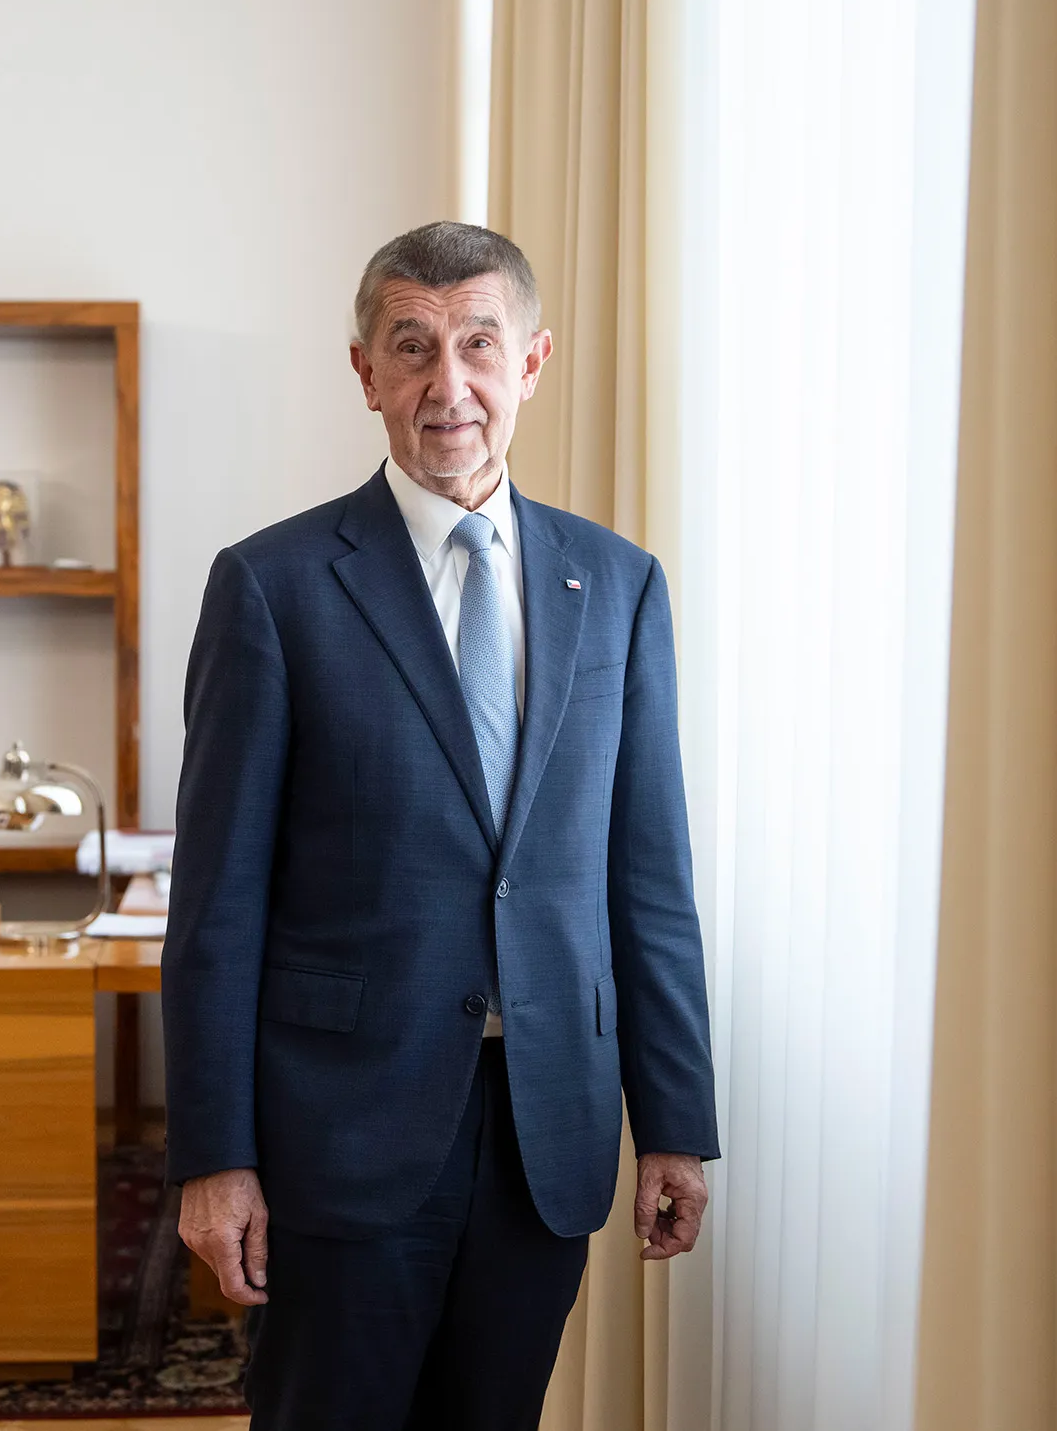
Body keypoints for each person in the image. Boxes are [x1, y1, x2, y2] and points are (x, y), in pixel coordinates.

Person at [163, 221, 720, 1431]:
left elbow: (649, 880)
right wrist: (214, 1156)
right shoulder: (273, 585)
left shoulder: (616, 585)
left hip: (547, 1128)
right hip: (341, 1125)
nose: (446, 384)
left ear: (532, 362)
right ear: (364, 372)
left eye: (478, 344)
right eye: (411, 348)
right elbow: (217, 904)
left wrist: (674, 1121)